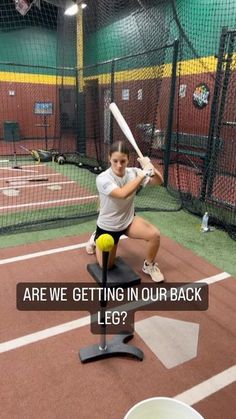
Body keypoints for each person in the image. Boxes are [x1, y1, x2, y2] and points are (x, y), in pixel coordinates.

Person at [86, 140, 164, 282]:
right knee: (106, 267)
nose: (119, 165)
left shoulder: (134, 172)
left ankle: (149, 265)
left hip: (128, 221)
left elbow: (158, 182)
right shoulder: (103, 178)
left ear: (128, 159)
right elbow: (122, 194)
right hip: (108, 226)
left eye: (123, 161)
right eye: (115, 161)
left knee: (154, 235)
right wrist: (142, 175)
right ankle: (96, 237)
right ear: (109, 158)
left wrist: (150, 167)